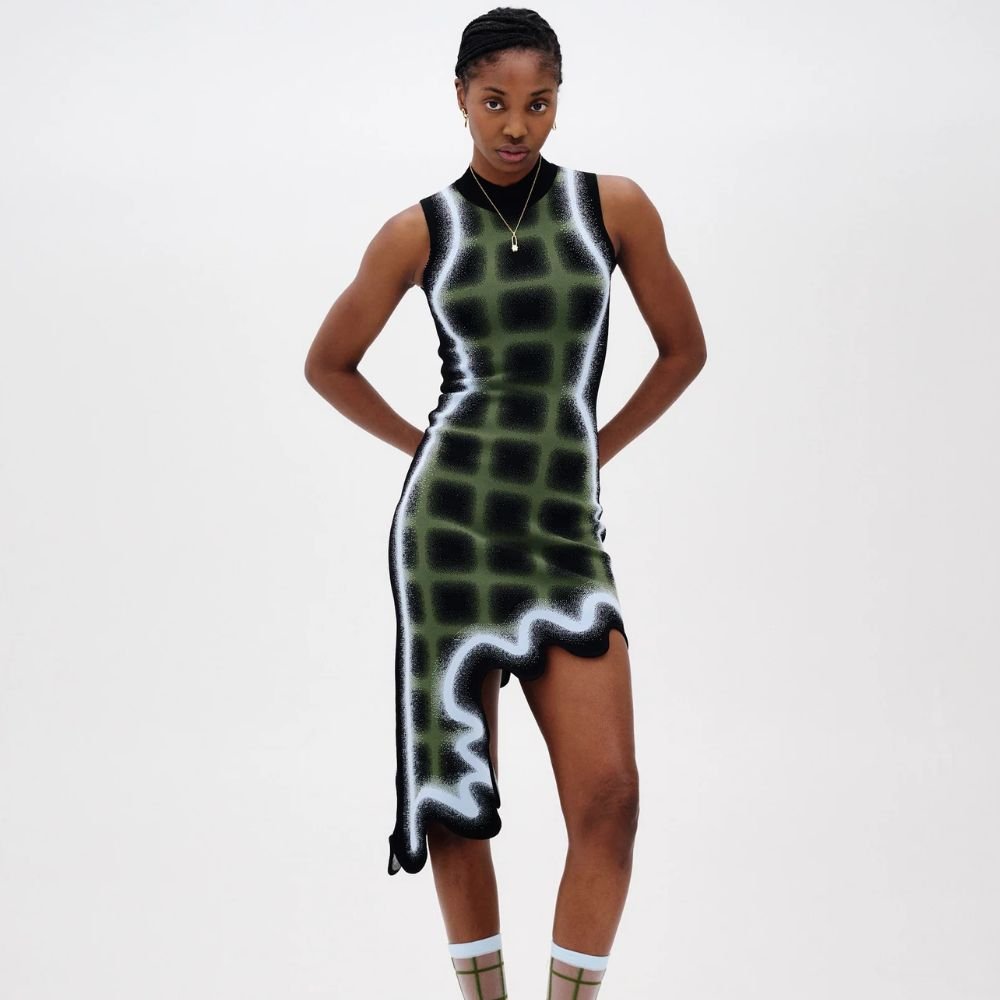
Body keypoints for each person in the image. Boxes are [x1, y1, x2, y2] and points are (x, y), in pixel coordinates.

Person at [304, 7, 706, 998]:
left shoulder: (614, 208)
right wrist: (425, 447)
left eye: (537, 103)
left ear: (559, 101)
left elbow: (683, 350)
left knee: (610, 800)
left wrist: (594, 449)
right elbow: (329, 363)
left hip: (563, 537)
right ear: (459, 98)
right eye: (494, 103)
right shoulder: (419, 231)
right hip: (450, 532)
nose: (516, 125)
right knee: (456, 800)